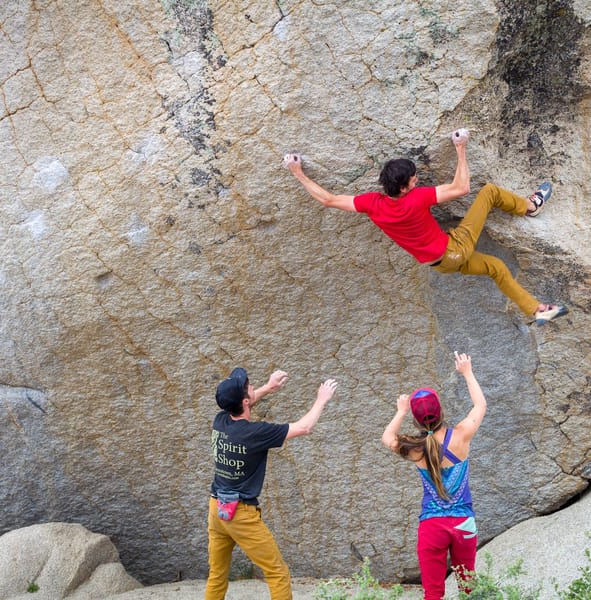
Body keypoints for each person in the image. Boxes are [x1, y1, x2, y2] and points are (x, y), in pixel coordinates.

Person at [285, 129, 568, 324]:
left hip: (441, 263)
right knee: (490, 192)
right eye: (414, 178)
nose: (418, 180)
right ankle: (531, 207)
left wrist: (298, 172)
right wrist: (460, 147)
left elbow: (329, 199)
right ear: (405, 185)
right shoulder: (416, 199)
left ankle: (537, 310)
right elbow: (462, 187)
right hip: (454, 249)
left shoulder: (372, 204)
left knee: (496, 267)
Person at [205, 366, 338, 600]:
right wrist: (321, 399)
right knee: (277, 573)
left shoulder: (220, 421)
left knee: (217, 574)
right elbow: (304, 427)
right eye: (249, 386)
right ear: (245, 400)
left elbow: (247, 402)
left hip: (217, 510)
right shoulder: (255, 433)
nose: (252, 386)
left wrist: (269, 387)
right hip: (241, 514)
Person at [380, 351, 486, 600]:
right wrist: (467, 372)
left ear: (418, 420)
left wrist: (401, 411)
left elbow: (387, 438)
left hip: (432, 526)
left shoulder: (415, 449)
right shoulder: (461, 435)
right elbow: (480, 405)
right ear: (441, 411)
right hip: (463, 524)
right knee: (469, 588)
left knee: (433, 593)